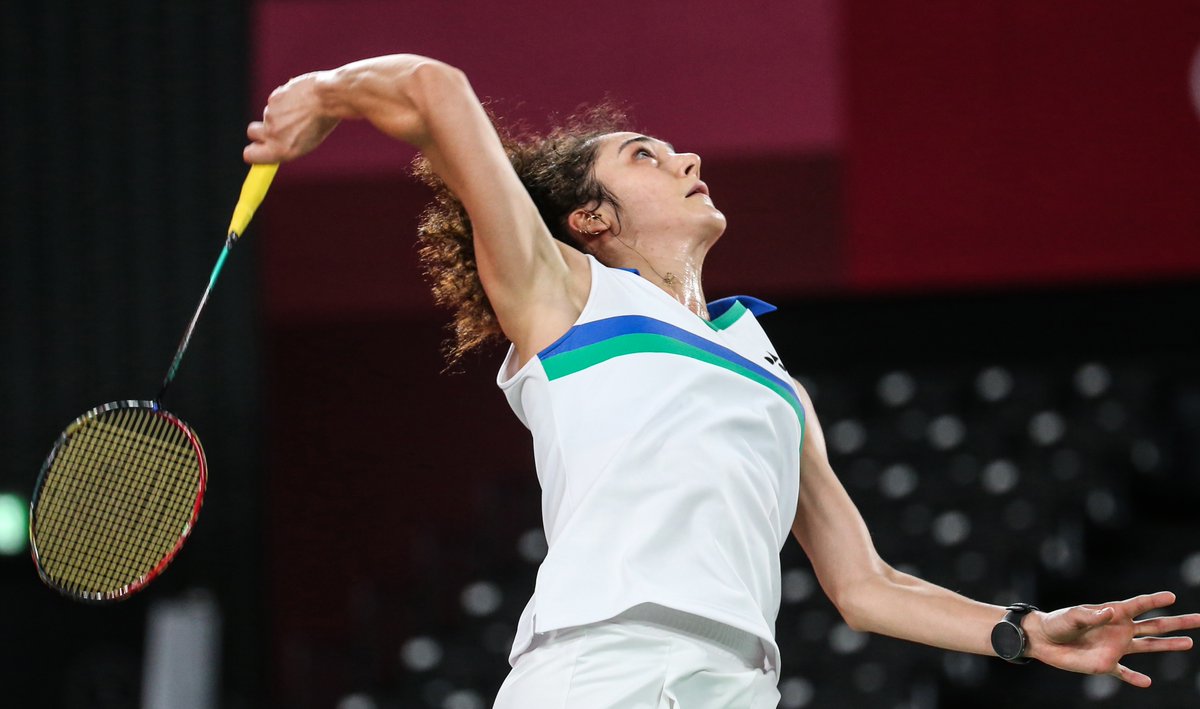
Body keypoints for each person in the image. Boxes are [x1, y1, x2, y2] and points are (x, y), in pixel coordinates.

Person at [244, 54, 1200, 708]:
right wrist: (320, 93)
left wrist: (1022, 631)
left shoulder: (765, 371)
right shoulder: (563, 299)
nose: (688, 158)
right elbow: (433, 85)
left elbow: (863, 585)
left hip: (739, 683)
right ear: (588, 219)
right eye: (644, 157)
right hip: (601, 670)